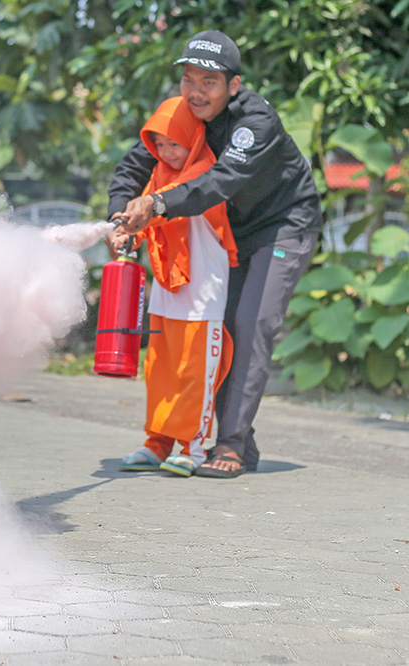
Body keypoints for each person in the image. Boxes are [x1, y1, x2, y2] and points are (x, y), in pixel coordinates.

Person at [108, 30, 322, 478]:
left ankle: (231, 444)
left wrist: (157, 205)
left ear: (234, 85)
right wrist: (118, 219)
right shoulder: (183, 113)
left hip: (283, 226)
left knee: (250, 325)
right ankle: (232, 439)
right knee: (216, 332)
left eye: (209, 82)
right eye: (189, 80)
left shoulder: (256, 122)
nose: (196, 92)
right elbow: (137, 163)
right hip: (231, 235)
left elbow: (220, 182)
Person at [113, 96, 238, 477]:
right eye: (159, 145)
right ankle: (158, 442)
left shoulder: (206, 173)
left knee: (194, 370)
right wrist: (126, 227)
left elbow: (178, 203)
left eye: (174, 142)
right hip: (167, 291)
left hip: (202, 294)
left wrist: (149, 209)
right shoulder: (157, 177)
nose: (166, 152)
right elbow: (147, 216)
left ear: (193, 136)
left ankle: (193, 447)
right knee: (160, 368)